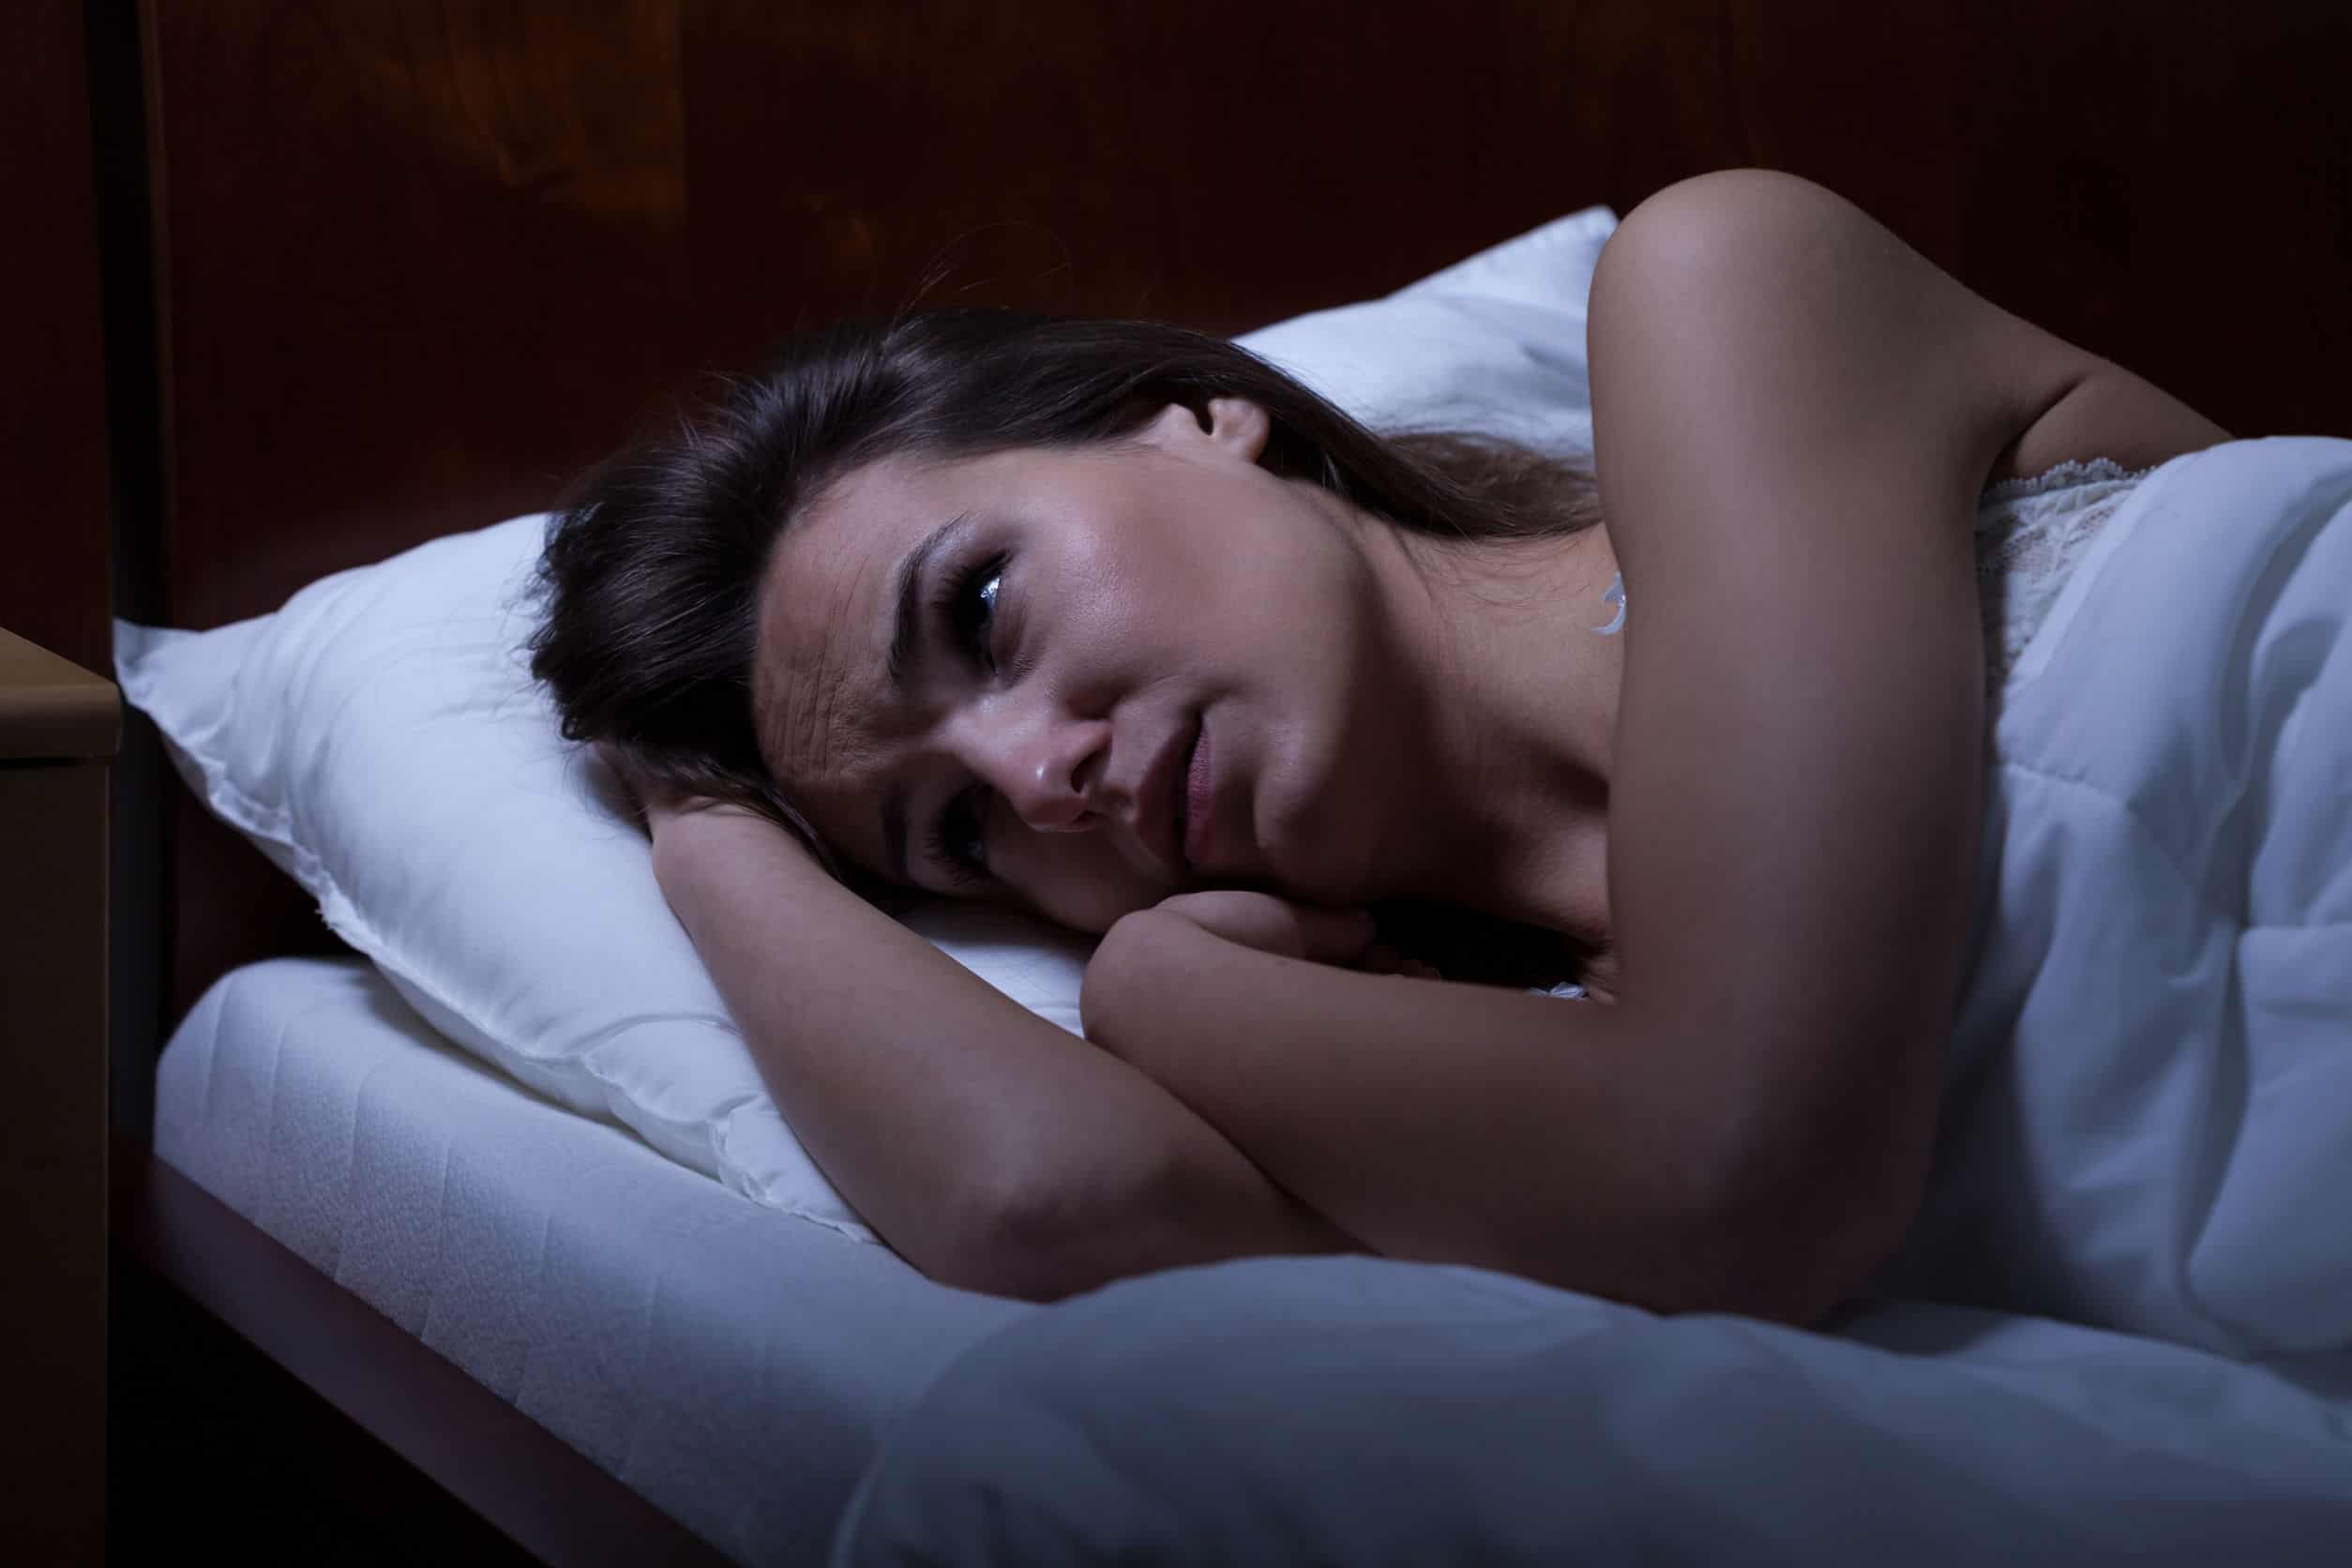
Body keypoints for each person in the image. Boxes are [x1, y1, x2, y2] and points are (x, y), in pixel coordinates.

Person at [526, 169, 2228, 1324]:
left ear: (1194, 418)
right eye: (956, 833)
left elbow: (1753, 1177)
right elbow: (1053, 1201)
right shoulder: (1500, 1076)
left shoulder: (1729, 292)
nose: (1039, 782)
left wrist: (1159, 992)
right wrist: (698, 821)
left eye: (980, 609)